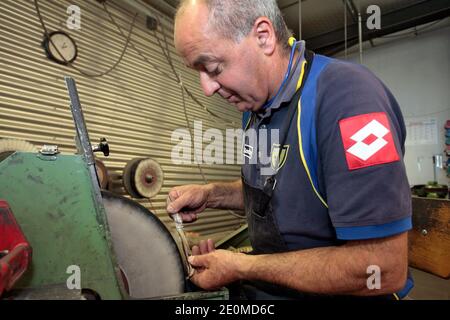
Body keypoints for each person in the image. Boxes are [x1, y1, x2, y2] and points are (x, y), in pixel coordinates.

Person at [167, 0, 414, 300]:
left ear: (263, 36)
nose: (207, 88)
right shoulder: (256, 111)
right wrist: (212, 194)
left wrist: (242, 267)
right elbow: (278, 190)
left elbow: (382, 268)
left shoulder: (349, 100)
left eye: (214, 68)